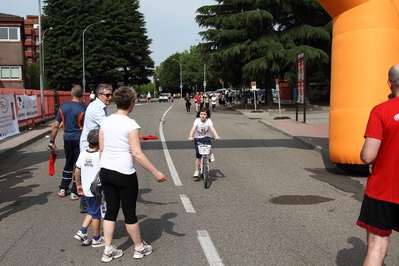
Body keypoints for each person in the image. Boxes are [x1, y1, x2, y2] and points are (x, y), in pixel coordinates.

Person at [99, 86, 167, 263]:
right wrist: (155, 172)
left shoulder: (105, 122)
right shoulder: (131, 125)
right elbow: (137, 154)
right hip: (124, 173)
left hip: (106, 170)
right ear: (131, 104)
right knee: (129, 213)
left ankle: (107, 250)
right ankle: (138, 247)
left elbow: (102, 148)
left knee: (111, 211)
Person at [356, 63, 399, 265]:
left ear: (390, 84)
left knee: (376, 248)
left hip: (384, 189)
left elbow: (368, 156)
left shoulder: (380, 111)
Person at [48, 85, 85, 200]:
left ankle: (63, 188)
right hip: (79, 138)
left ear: (71, 93)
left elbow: (55, 126)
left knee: (68, 162)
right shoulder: (84, 108)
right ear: (82, 94)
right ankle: (75, 190)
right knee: (77, 164)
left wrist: (52, 141)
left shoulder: (63, 107)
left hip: (67, 138)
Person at [79, 83, 112, 213]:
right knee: (91, 173)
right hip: (90, 144)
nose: (110, 97)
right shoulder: (97, 108)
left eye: (111, 95)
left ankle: (94, 199)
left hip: (95, 143)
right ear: (99, 95)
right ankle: (86, 202)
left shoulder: (100, 106)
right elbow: (106, 125)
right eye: (107, 95)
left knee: (95, 172)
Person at [74, 129, 105, 248]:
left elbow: (77, 171)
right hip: (97, 189)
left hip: (87, 188)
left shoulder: (83, 154)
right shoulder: (99, 155)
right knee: (96, 214)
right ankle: (96, 238)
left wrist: (78, 184)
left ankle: (82, 231)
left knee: (91, 211)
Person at [188, 107, 221, 178]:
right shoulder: (197, 121)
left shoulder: (209, 121)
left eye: (204, 114)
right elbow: (193, 129)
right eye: (201, 114)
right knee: (198, 156)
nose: (203, 116)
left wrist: (216, 135)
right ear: (199, 115)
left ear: (207, 115)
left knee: (208, 145)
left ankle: (211, 154)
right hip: (198, 139)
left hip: (206, 138)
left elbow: (212, 128)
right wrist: (191, 136)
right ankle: (196, 171)